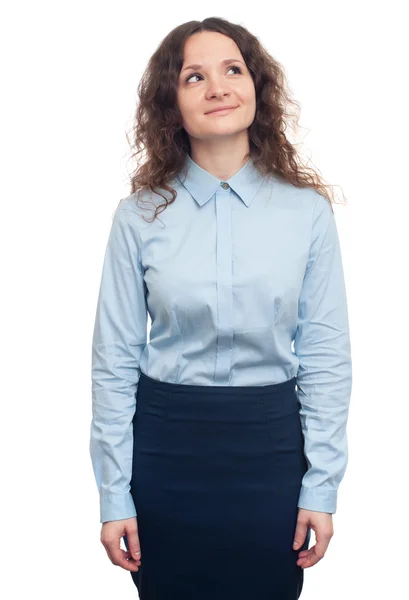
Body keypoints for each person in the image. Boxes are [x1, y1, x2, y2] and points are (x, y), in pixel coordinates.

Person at [89, 16, 353, 600]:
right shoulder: (139, 217)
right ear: (171, 103)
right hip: (165, 450)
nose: (218, 87)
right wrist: (114, 494)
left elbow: (326, 357)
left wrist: (321, 489)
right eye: (194, 76)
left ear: (256, 87)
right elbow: (114, 363)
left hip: (271, 451)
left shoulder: (307, 214)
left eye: (232, 69)